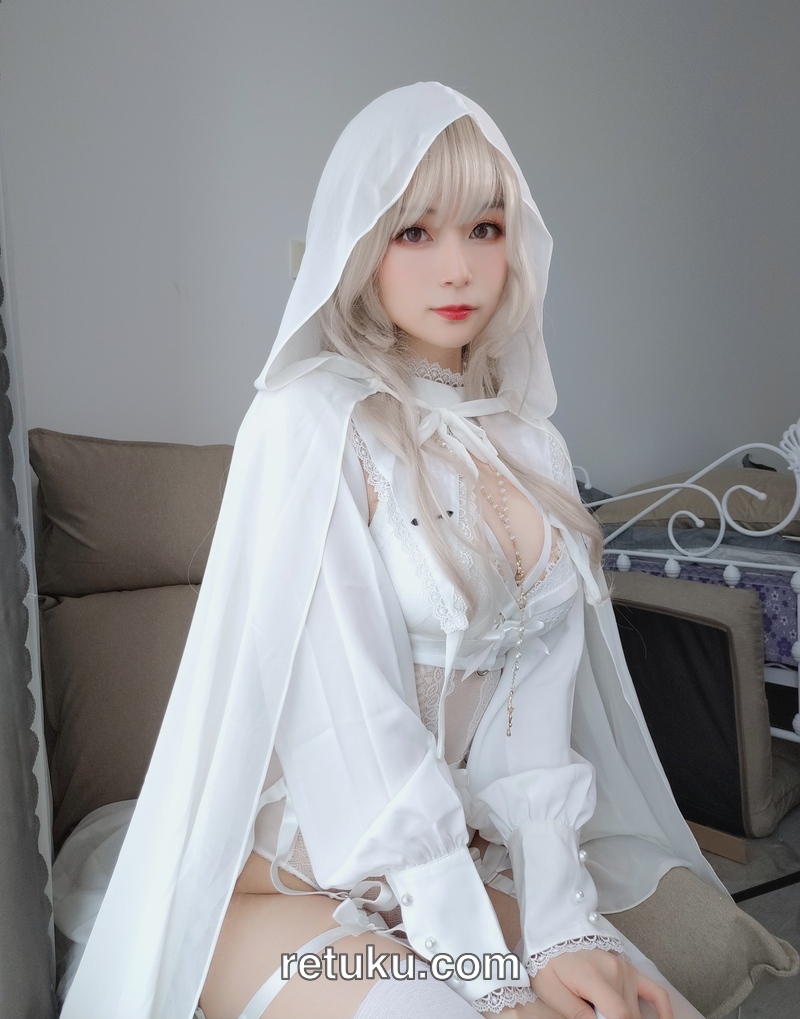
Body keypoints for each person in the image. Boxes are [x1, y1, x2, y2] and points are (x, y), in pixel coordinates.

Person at [59, 83, 724, 1019]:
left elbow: (535, 722)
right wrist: (489, 973)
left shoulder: (532, 446)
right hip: (272, 876)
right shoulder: (310, 423)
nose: (458, 268)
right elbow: (352, 726)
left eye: (484, 228)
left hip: (446, 860)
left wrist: (563, 923)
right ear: (361, 240)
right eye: (414, 231)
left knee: (642, 1007)